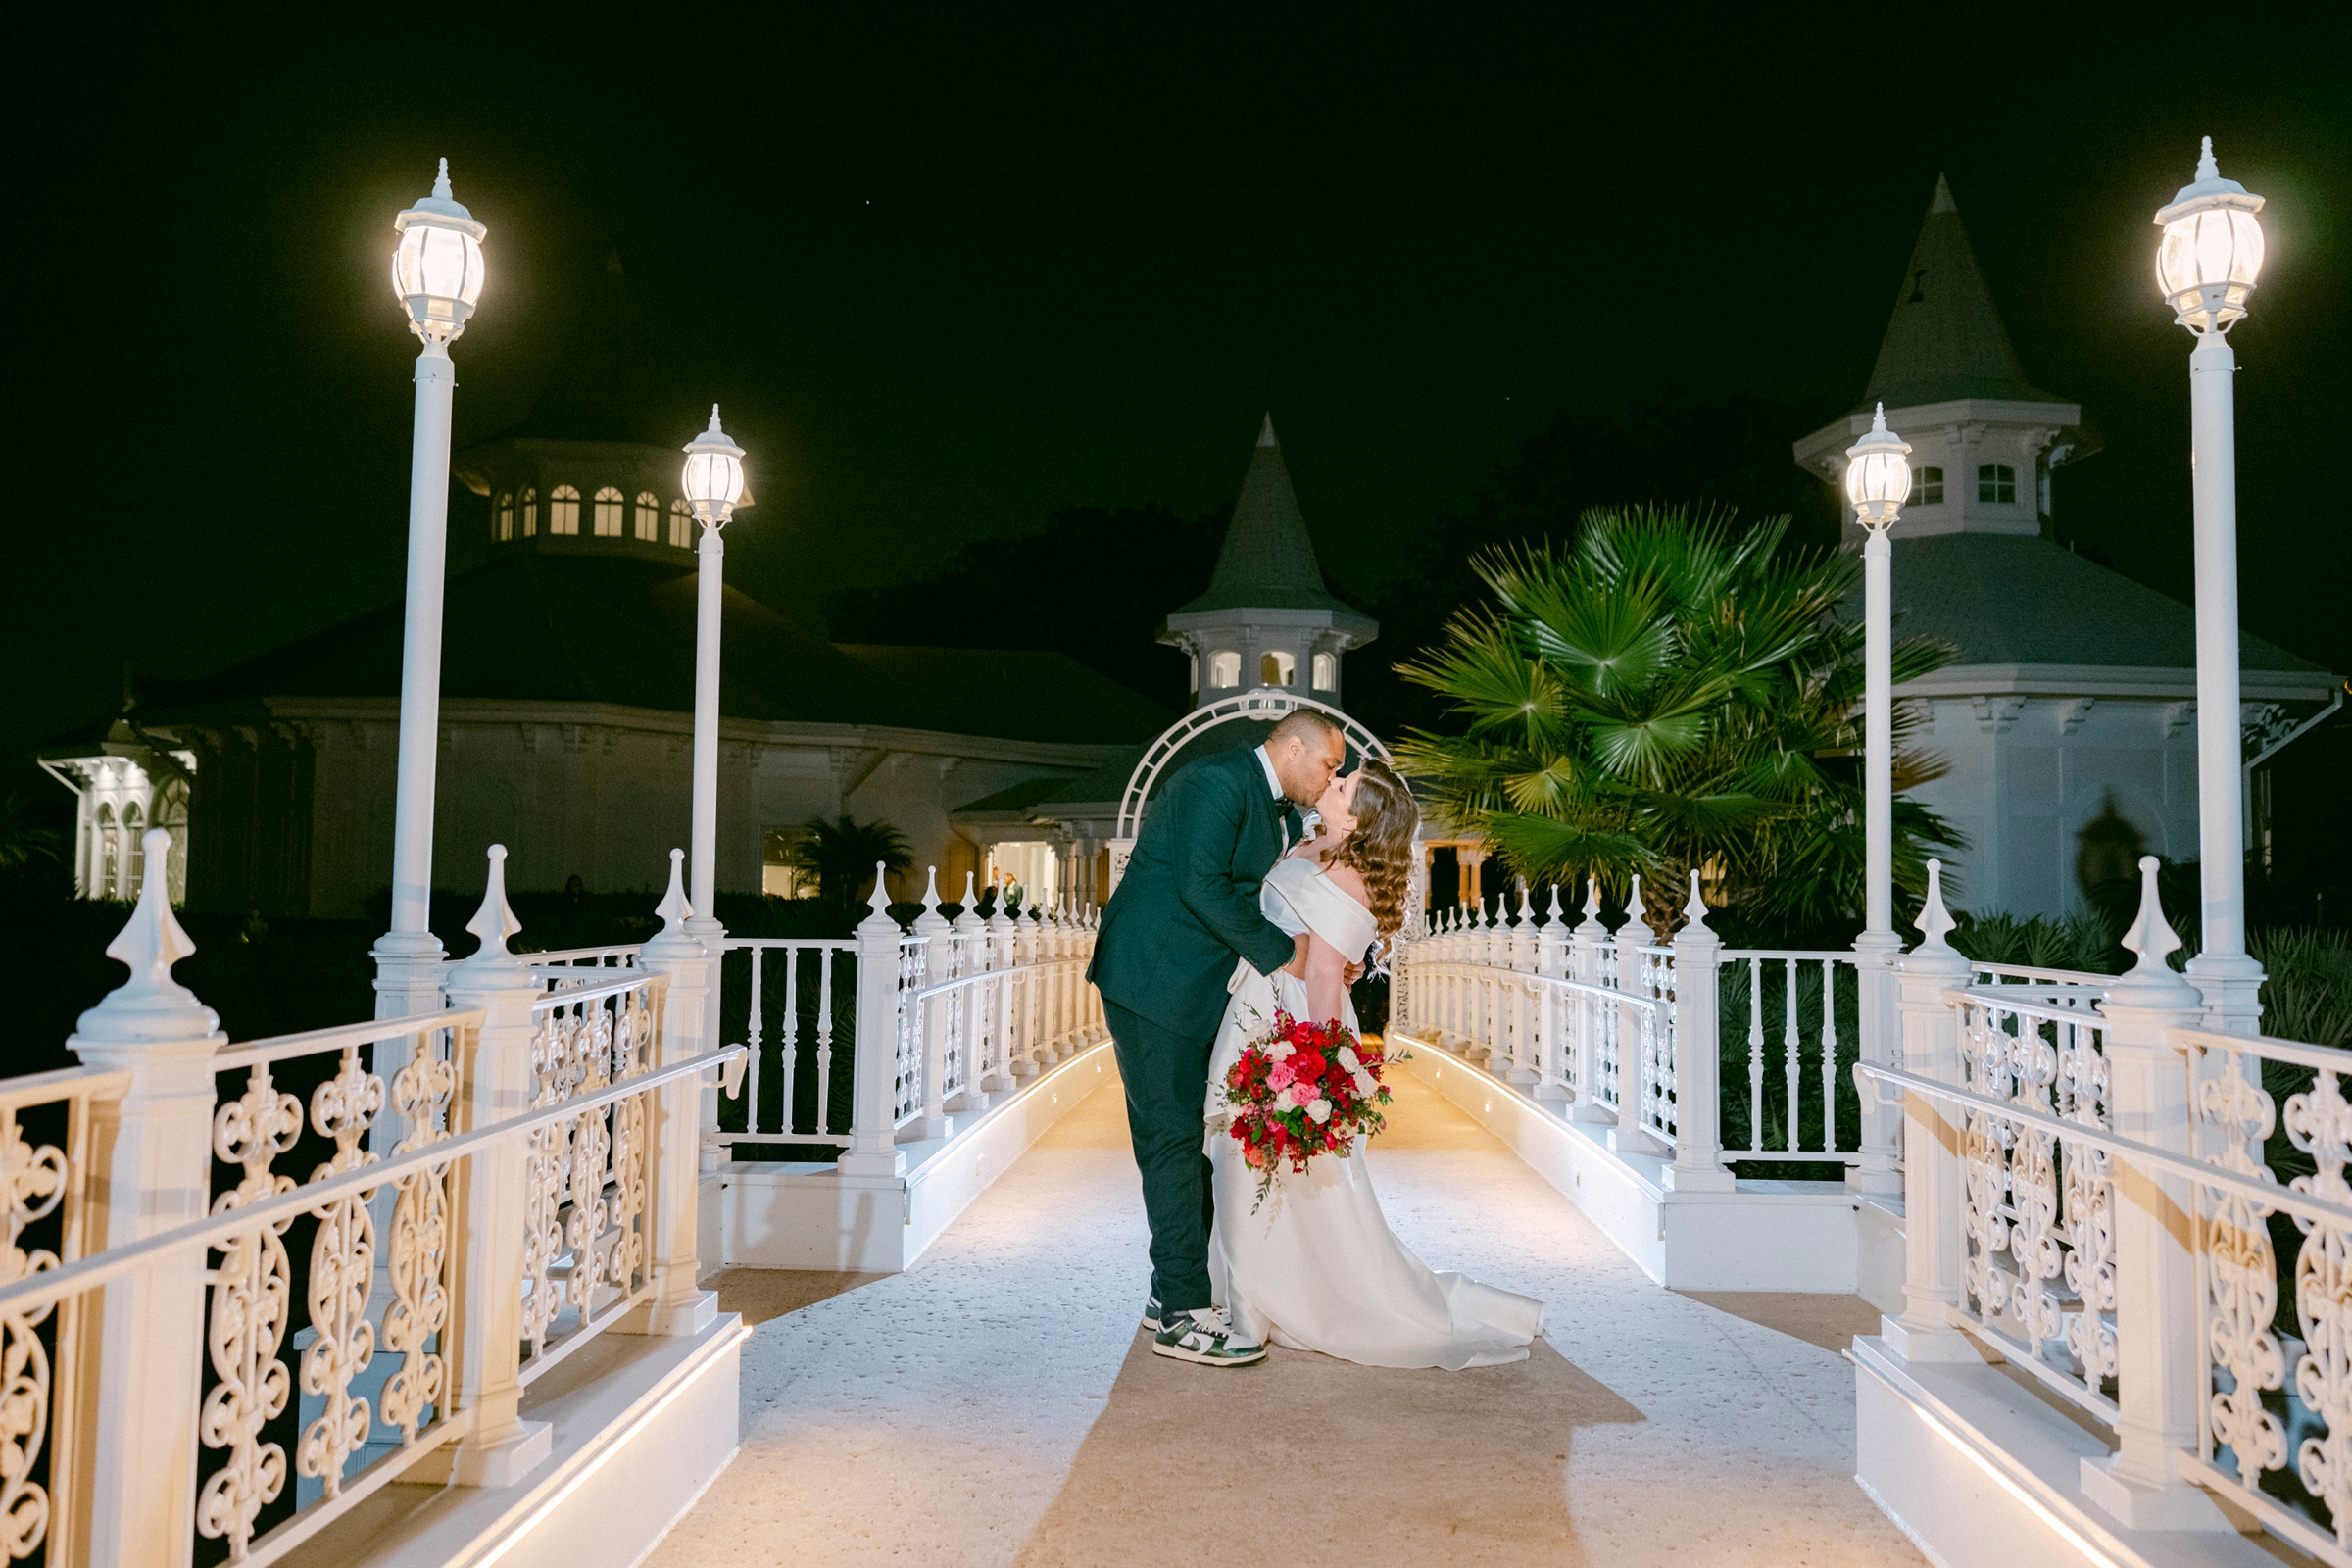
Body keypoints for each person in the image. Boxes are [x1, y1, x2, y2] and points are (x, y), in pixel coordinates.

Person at [1206, 758, 1544, 1368]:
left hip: (1289, 1027)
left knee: (1262, 1155)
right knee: (1236, 1155)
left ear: (1358, 818)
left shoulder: (1352, 879)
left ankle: (1253, 1310)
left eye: (1342, 786)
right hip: (1252, 1006)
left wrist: (1307, 1068)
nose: (1330, 784)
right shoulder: (1308, 845)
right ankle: (1247, 1292)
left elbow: (1325, 978)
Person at [1090, 709, 1346, 1366]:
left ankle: (1169, 1291)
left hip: (1189, 985)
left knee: (1188, 1135)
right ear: (1293, 747)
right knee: (1170, 1138)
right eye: (1328, 764)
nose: (1332, 776)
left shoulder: (1272, 805)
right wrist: (1282, 954)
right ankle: (1180, 1312)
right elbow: (1201, 887)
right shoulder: (1217, 781)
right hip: (1151, 978)